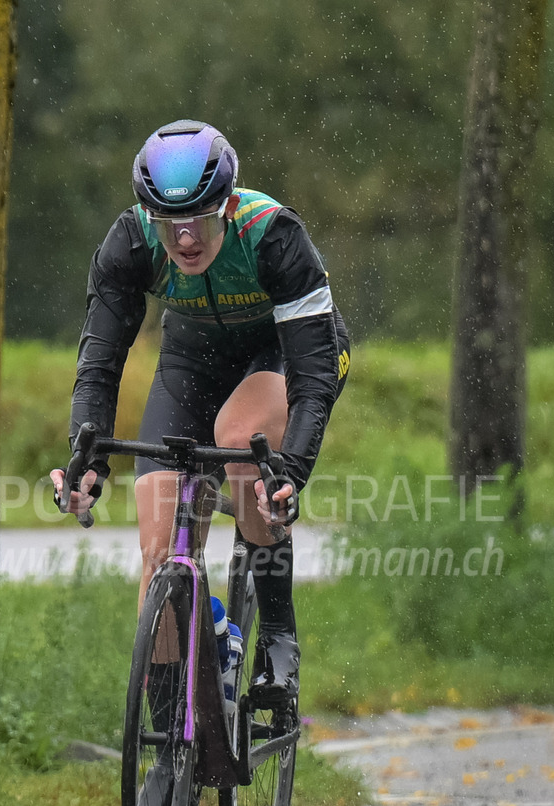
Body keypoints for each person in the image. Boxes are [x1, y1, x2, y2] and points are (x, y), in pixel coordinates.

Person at [50, 120, 349, 708]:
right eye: (169, 224)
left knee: (241, 439)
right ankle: (166, 742)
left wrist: (289, 472)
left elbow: (312, 377)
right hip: (194, 358)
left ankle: (278, 643)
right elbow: (101, 361)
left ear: (229, 206)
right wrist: (85, 457)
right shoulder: (129, 242)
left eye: (202, 222)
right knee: (159, 548)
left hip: (285, 352)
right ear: (147, 216)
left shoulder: (272, 236)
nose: (185, 240)